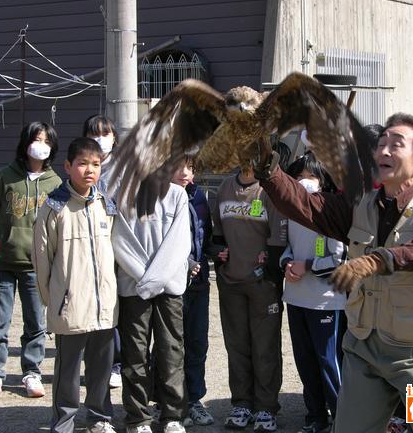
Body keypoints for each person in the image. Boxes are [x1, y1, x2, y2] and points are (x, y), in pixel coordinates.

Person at [253, 113, 413, 433]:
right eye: (381, 145)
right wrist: (268, 169)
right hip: (365, 346)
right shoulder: (358, 205)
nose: (384, 151)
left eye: (396, 145)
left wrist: (379, 260)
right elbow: (304, 205)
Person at [33, 137, 117, 433]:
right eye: (82, 163)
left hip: (104, 304)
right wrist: (55, 300)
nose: (89, 170)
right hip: (69, 305)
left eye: (95, 164)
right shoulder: (54, 208)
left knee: (101, 368)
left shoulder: (106, 203)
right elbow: (42, 261)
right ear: (68, 166)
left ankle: (99, 417)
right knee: (67, 370)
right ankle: (64, 421)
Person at [0, 121, 61, 402]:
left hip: (35, 265)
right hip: (2, 262)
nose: (40, 145)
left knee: (35, 322)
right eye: (36, 139)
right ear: (25, 142)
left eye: (46, 141)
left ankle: (32, 371)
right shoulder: (5, 176)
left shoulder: (56, 183)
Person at [112, 167, 191, 433]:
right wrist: (146, 278)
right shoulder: (121, 194)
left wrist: (154, 279)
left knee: (171, 351)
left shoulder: (178, 194)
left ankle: (172, 415)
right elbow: (120, 241)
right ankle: (138, 417)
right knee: (134, 354)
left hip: (169, 287)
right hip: (133, 287)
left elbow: (180, 242)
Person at [212, 163, 287, 433]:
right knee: (237, 346)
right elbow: (217, 234)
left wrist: (271, 268)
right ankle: (241, 403)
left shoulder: (268, 190)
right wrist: (218, 254)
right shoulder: (224, 188)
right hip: (231, 281)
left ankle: (266, 407)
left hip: (262, 283)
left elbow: (279, 236)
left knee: (265, 347)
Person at [280, 152, 346, 433]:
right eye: (298, 177)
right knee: (305, 362)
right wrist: (287, 262)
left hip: (327, 301)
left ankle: (341, 419)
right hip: (296, 297)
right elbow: (287, 247)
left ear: (323, 180)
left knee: (329, 363)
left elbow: (339, 259)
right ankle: (315, 417)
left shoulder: (328, 210)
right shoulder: (292, 212)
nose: (305, 182)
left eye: (311, 177)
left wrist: (306, 265)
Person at [169, 156, 215, 426]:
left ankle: (195, 400)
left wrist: (216, 252)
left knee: (197, 344)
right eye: (178, 166)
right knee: (172, 346)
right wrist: (183, 263)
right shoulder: (160, 197)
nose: (184, 172)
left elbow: (204, 238)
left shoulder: (200, 198)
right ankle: (171, 402)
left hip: (199, 285)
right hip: (172, 285)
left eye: (190, 167)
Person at [82, 114, 122, 389]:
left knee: (115, 306)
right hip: (90, 246)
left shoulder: (122, 168)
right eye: (95, 134)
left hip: (117, 244)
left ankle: (116, 363)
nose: (101, 139)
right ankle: (95, 362)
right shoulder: (83, 169)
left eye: (105, 134)